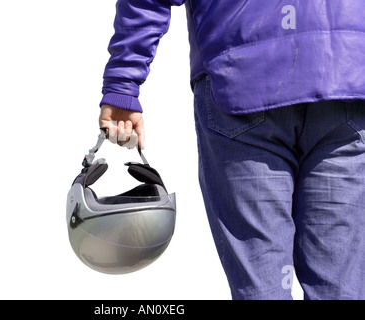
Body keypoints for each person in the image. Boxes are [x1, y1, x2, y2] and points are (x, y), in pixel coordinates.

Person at [97, 0, 365, 300]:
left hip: (242, 79)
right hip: (347, 77)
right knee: (341, 290)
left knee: (261, 289)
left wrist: (123, 84)